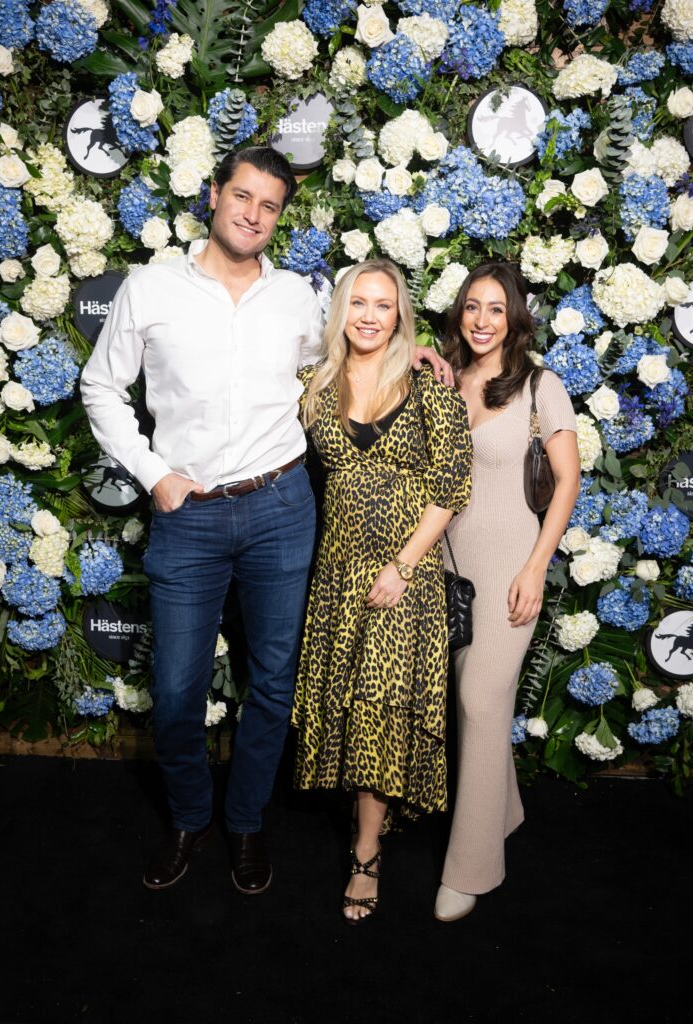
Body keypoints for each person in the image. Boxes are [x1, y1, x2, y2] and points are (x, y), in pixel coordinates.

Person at [80, 148, 450, 896]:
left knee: (273, 682)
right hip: (190, 515)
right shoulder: (151, 288)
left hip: (283, 508)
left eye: (269, 205)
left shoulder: (296, 298)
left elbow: (353, 359)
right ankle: (190, 816)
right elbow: (99, 387)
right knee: (179, 691)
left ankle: (246, 822)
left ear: (280, 216)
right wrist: (155, 475)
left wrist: (420, 354)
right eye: (242, 196)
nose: (252, 213)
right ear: (214, 195)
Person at [291, 258, 472, 924]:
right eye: (359, 303)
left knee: (377, 703)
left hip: (405, 575)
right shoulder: (315, 384)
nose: (370, 315)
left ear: (401, 315)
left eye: (384, 305)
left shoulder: (429, 390)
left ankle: (366, 855)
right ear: (342, 310)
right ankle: (369, 821)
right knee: (350, 702)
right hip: (338, 569)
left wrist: (401, 566)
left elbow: (451, 489)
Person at [433, 262, 580, 923]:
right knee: (467, 701)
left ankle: (471, 869)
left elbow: (568, 482)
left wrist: (534, 567)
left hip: (508, 566)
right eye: (472, 307)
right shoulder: (446, 377)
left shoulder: (541, 386)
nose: (483, 319)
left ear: (515, 316)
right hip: (445, 563)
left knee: (478, 698)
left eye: (496, 308)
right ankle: (507, 809)